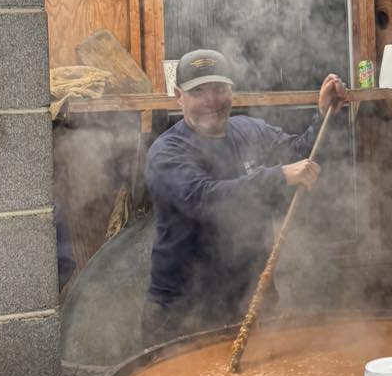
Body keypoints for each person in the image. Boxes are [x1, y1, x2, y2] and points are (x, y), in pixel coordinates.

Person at [142, 48, 347, 347]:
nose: (212, 100)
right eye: (199, 91)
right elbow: (206, 199)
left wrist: (324, 114)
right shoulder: (167, 152)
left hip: (250, 301)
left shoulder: (250, 131)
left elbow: (300, 155)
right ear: (178, 95)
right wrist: (277, 176)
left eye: (219, 89)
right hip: (183, 313)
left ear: (231, 91)